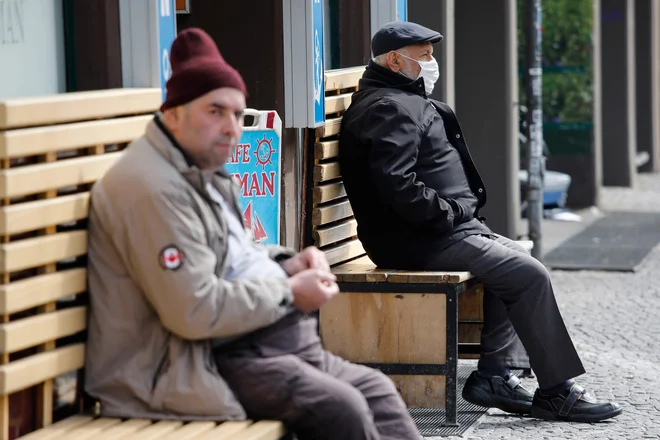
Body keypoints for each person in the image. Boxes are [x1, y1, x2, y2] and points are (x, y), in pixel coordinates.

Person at [84, 28, 421, 440]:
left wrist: (286, 262)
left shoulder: (201, 168)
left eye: (237, 114)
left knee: (378, 392)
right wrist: (288, 290)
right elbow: (192, 309)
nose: (231, 128)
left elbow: (234, 255)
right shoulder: (152, 190)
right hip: (191, 363)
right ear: (172, 114)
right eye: (215, 111)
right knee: (342, 408)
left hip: (262, 339)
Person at [338, 21, 622, 423]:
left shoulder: (397, 98)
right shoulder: (387, 107)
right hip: (420, 238)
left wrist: (456, 214)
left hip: (439, 229)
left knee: (515, 261)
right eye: (424, 55)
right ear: (395, 60)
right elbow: (396, 185)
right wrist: (451, 212)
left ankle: (494, 376)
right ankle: (556, 392)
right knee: (528, 274)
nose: (432, 63)